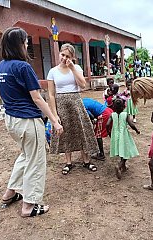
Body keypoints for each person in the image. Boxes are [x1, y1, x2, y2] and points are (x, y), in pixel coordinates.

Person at [0, 27, 63, 217]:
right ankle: (29, 205)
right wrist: (54, 120)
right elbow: (37, 98)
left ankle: (10, 193)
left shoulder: (2, 66)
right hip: (27, 121)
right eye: (25, 41)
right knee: (36, 161)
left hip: (12, 120)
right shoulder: (23, 67)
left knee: (26, 156)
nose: (27, 44)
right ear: (19, 44)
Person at [47, 43, 98, 175]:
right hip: (61, 104)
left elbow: (82, 85)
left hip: (76, 102)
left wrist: (72, 68)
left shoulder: (76, 68)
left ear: (72, 57)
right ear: (59, 54)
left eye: (67, 56)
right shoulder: (52, 71)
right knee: (65, 132)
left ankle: (86, 160)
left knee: (82, 130)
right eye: (62, 55)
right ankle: (68, 162)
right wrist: (54, 113)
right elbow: (51, 94)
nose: (64, 58)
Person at [106, 97, 140, 179]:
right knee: (126, 150)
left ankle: (123, 167)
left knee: (121, 150)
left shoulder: (112, 115)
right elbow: (131, 124)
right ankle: (119, 165)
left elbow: (107, 125)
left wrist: (109, 132)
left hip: (115, 134)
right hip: (124, 135)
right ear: (124, 107)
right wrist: (136, 130)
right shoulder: (125, 115)